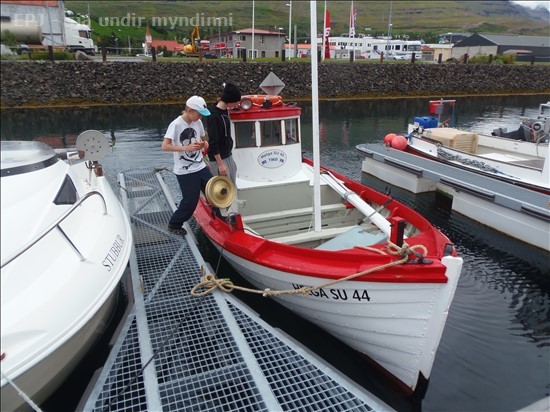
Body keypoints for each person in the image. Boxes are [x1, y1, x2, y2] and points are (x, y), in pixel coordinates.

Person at [162, 95, 211, 236]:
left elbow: (203, 139)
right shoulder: (176, 124)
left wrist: (204, 144)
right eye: (199, 114)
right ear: (189, 110)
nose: (200, 117)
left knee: (215, 190)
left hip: (200, 166)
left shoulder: (198, 123)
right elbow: (165, 146)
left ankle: (219, 216)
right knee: (190, 201)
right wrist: (186, 148)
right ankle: (174, 224)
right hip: (185, 171)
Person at [207, 83, 242, 185]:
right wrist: (220, 164)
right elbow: (213, 142)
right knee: (224, 187)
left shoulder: (225, 110)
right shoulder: (214, 116)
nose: (236, 104)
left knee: (232, 184)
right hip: (219, 158)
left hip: (228, 154)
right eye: (235, 102)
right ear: (229, 100)